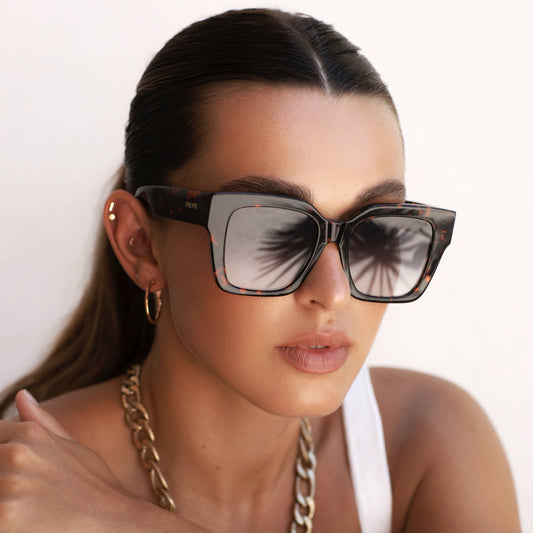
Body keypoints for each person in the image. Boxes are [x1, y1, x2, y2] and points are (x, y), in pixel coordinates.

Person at [0, 8, 520, 532]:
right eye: (273, 232)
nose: (333, 293)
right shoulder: (22, 484)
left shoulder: (426, 440)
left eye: (374, 231)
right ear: (141, 245)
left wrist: (124, 521)